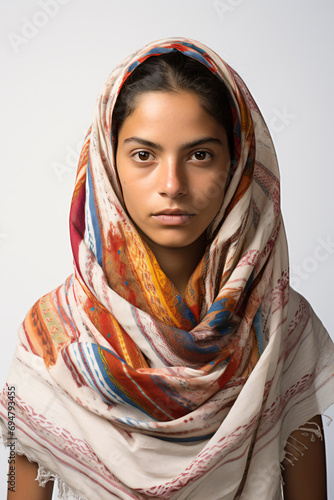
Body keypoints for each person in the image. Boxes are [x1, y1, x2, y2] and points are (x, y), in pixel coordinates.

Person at [1, 37, 333, 500]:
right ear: (107, 164)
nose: (172, 185)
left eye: (200, 155)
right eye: (144, 155)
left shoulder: (285, 328)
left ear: (236, 165)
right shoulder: (49, 338)